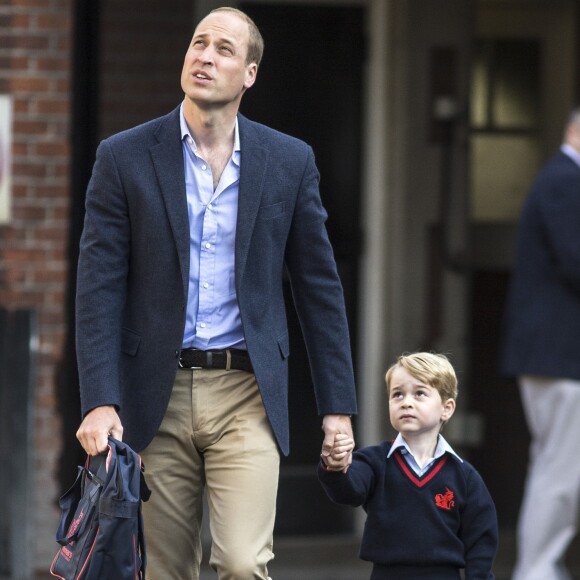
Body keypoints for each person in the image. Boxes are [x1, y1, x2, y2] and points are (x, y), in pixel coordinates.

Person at [74, 7, 357, 579]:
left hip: (247, 392)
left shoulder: (288, 161)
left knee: (242, 562)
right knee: (165, 569)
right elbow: (98, 286)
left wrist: (338, 409)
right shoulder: (124, 157)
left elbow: (319, 287)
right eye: (198, 43)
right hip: (156, 393)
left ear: (249, 73)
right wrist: (99, 398)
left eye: (223, 49)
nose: (204, 55)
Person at [318, 352, 498, 579]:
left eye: (420, 393)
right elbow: (348, 491)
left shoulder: (464, 476)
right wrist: (335, 465)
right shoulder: (374, 461)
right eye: (397, 395)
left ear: (447, 408)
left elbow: (481, 538)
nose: (406, 402)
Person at [501, 107, 580, 580]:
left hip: (553, 353)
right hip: (558, 354)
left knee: (557, 465)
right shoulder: (564, 180)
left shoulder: (561, 179)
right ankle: (537, 569)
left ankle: (539, 567)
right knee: (561, 470)